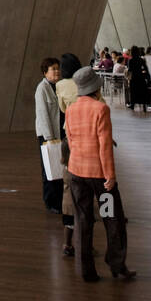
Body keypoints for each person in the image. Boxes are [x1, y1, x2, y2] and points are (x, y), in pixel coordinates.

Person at [65, 66, 135, 283]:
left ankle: (87, 270)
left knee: (84, 220)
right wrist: (110, 177)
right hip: (99, 177)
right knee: (111, 218)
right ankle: (116, 264)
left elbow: (70, 140)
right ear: (96, 88)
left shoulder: (71, 109)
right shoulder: (100, 109)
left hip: (76, 173)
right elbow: (104, 146)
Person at [55, 54, 86, 258]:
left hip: (70, 136)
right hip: (88, 137)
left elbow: (62, 109)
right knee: (91, 186)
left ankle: (67, 242)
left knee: (69, 185)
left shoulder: (61, 86)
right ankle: (87, 240)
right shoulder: (84, 83)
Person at [35, 57, 63, 215]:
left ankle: (59, 200)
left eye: (58, 68)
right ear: (45, 72)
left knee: (58, 167)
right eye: (53, 69)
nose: (57, 71)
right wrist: (49, 137)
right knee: (49, 168)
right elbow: (43, 115)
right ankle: (51, 201)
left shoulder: (57, 86)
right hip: (48, 136)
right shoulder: (42, 89)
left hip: (58, 134)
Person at [126, 45, 150, 113]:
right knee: (142, 91)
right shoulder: (141, 59)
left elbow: (130, 69)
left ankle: (133, 104)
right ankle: (144, 104)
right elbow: (145, 68)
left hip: (134, 78)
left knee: (133, 91)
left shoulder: (130, 60)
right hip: (141, 77)